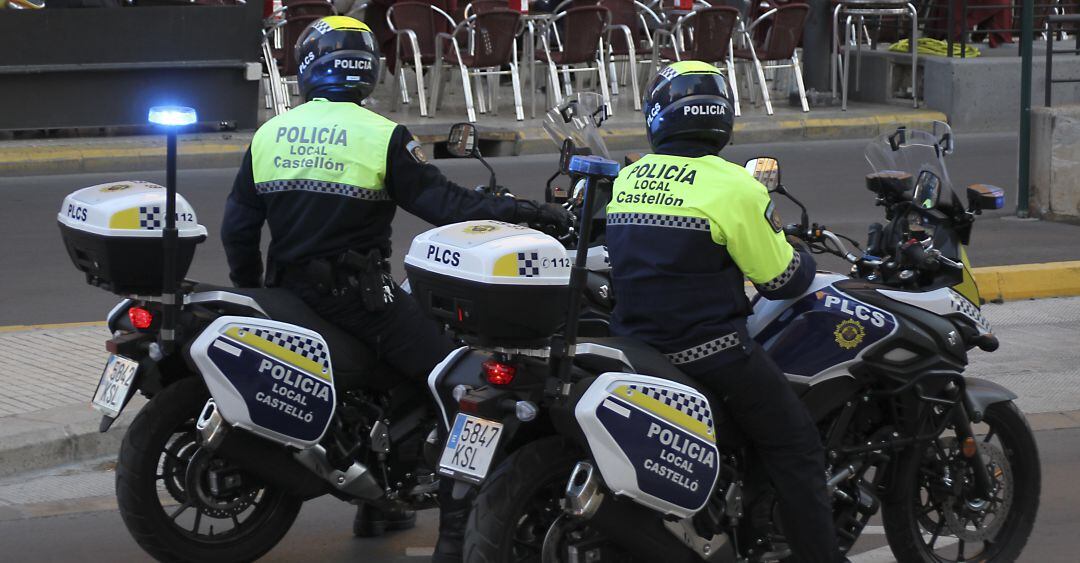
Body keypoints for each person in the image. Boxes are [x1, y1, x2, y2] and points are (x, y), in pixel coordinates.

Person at [220, 15, 569, 563]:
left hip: (288, 292)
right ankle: (454, 538)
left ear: (308, 68)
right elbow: (448, 208)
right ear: (367, 72)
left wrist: (256, 288)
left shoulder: (271, 132)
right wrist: (527, 214)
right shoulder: (381, 135)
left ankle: (381, 503)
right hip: (358, 300)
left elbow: (237, 228)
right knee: (463, 384)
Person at [605, 61, 843, 563]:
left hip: (636, 348)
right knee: (796, 444)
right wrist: (801, 253)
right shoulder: (736, 186)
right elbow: (782, 281)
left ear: (657, 115)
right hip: (708, 353)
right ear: (720, 117)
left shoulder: (628, 179)